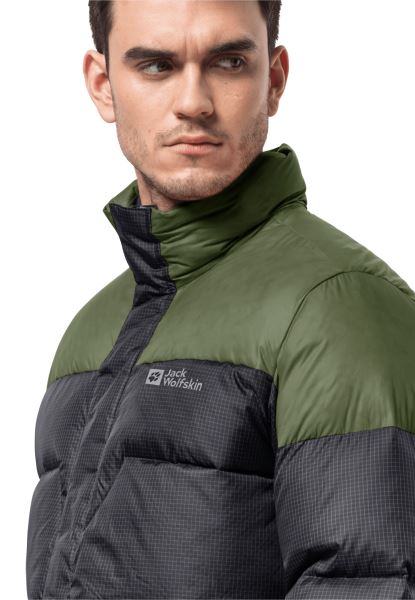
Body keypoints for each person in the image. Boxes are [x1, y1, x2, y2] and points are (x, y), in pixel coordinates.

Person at [25, 1, 415, 599]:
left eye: (228, 62)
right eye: (156, 66)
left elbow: (369, 581)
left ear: (273, 80)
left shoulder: (339, 308)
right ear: (103, 86)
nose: (194, 102)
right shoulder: (92, 330)